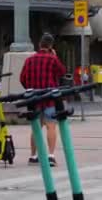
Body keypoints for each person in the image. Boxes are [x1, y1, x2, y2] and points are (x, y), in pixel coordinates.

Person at [20, 33, 66, 167]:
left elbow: (22, 78)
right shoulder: (52, 59)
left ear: (39, 44)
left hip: (34, 98)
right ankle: (50, 156)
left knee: (36, 128)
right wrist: (55, 56)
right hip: (49, 98)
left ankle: (33, 156)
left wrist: (30, 88)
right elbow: (62, 72)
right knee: (51, 126)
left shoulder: (29, 60)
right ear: (51, 46)